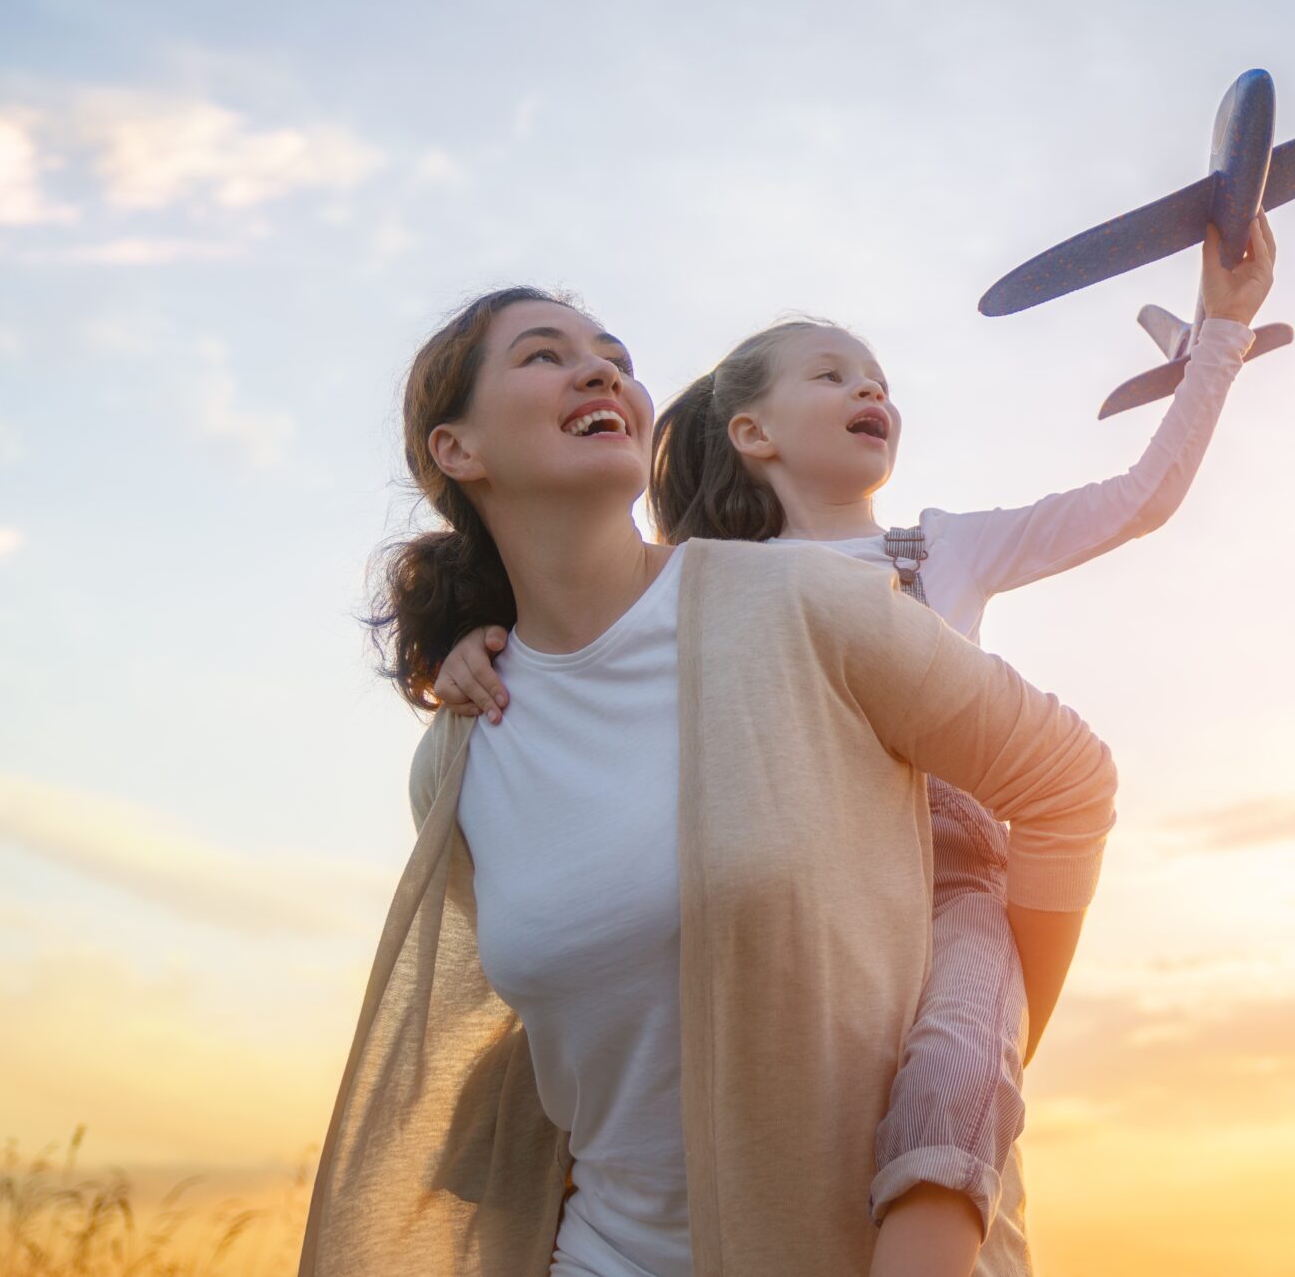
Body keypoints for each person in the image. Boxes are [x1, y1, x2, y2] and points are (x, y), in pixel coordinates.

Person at [429, 216, 1277, 1275]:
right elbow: (587, 629)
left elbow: (1137, 502)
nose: (872, 391)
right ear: (752, 432)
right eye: (832, 374)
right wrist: (467, 642)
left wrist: (1221, 339)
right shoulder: (714, 596)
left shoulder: (929, 549)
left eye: (877, 378)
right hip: (803, 868)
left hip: (955, 860)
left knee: (956, 1063)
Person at [301, 285, 1119, 1277]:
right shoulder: (460, 754)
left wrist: (983, 1048)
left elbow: (1067, 783)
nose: (600, 369)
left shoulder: (804, 606)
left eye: (612, 354)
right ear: (457, 451)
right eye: (544, 355)